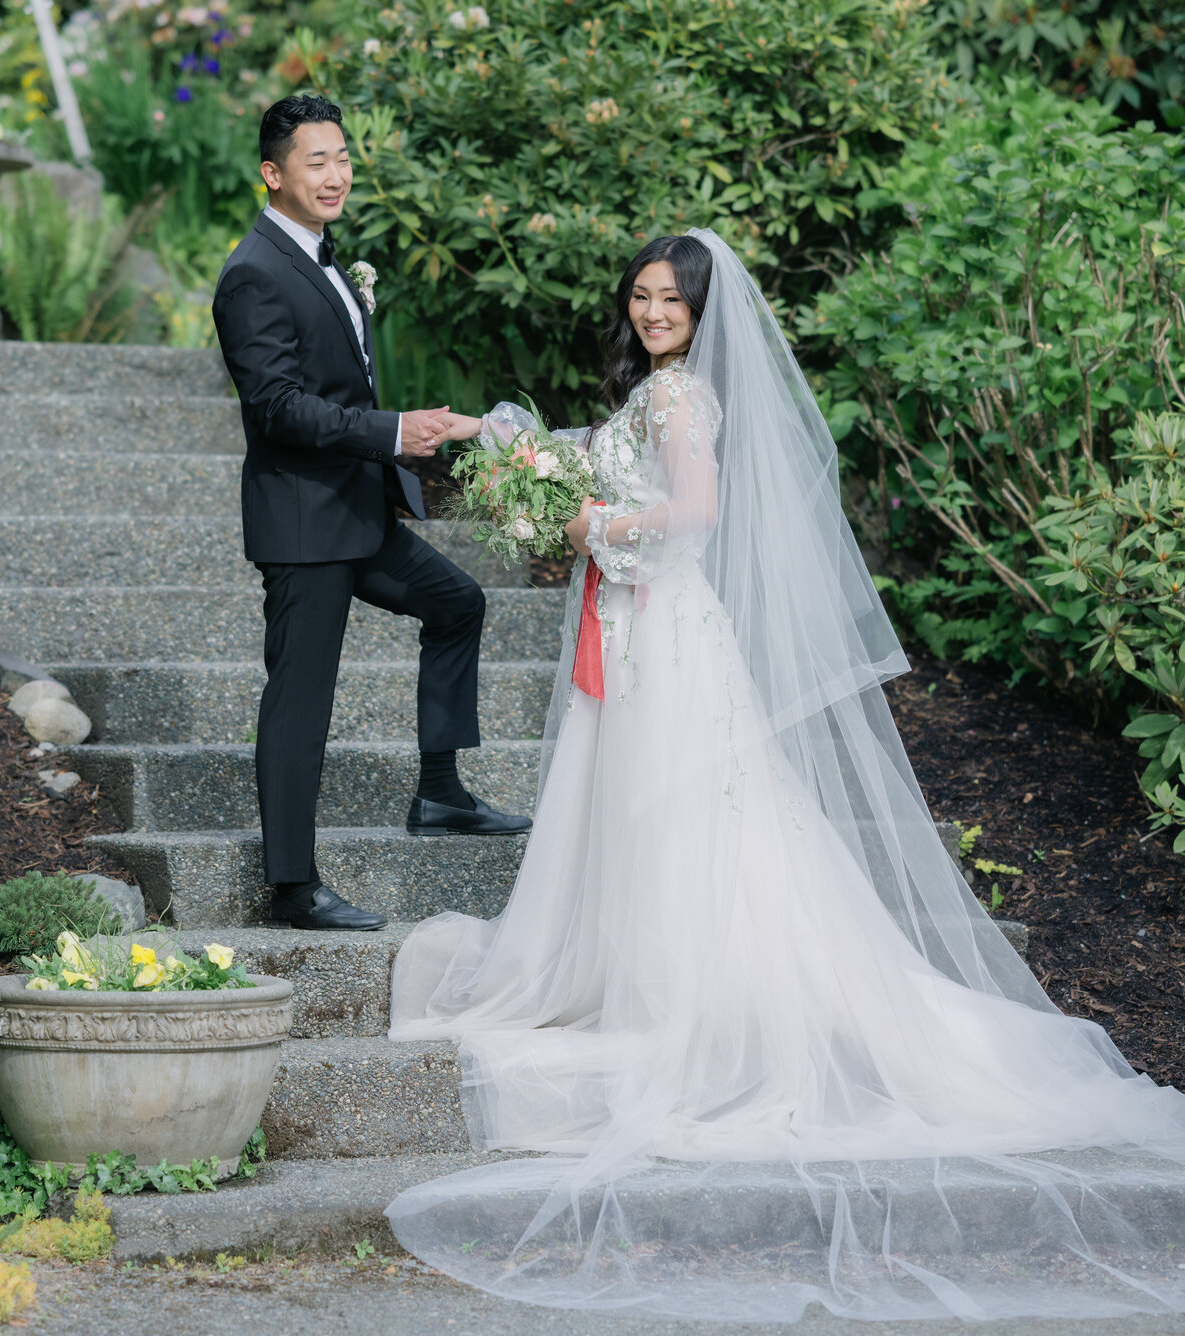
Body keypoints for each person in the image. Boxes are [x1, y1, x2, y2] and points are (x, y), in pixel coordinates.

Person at [384, 228, 1185, 1321]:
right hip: (637, 630)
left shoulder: (679, 401)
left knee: (680, 815)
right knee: (649, 816)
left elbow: (695, 517)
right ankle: (647, 980)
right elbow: (589, 451)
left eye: (671, 299)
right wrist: (506, 442)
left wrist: (591, 522)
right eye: (641, 296)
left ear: (704, 313)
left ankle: (694, 995)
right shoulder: (657, 394)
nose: (654, 312)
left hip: (665, 637)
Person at [211, 93, 530, 933]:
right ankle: (292, 889)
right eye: (315, 161)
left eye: (343, 157)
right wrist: (391, 432)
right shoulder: (253, 272)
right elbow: (277, 407)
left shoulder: (325, 256)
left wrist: (390, 448)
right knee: (300, 700)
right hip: (304, 525)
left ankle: (440, 792)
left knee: (459, 603)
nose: (337, 174)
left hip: (359, 514)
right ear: (272, 175)